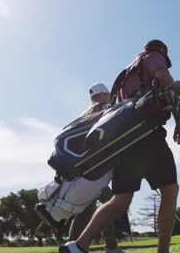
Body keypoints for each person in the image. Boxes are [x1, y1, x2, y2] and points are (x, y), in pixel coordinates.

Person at [60, 40, 180, 253]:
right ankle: (163, 251)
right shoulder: (152, 56)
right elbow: (164, 80)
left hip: (122, 142)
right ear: (162, 53)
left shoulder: (125, 75)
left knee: (120, 200)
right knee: (170, 189)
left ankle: (78, 246)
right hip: (147, 134)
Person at [70, 83, 124, 253]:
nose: (110, 97)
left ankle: (72, 245)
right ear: (101, 95)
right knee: (108, 204)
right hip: (93, 169)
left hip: (82, 169)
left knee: (86, 209)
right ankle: (111, 246)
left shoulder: (84, 113)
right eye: (108, 94)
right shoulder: (103, 108)